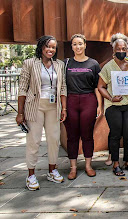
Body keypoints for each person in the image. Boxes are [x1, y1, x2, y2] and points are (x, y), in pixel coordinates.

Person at [16, 35, 67, 190]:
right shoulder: (30, 63)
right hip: (35, 106)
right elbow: (23, 88)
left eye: (53, 47)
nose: (50, 50)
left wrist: (64, 108)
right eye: (47, 46)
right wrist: (20, 113)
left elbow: (63, 86)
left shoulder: (59, 65)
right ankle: (31, 175)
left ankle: (52, 170)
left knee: (54, 139)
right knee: (34, 141)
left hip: (53, 106)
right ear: (41, 47)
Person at [98, 33, 128, 176]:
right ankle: (115, 163)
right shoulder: (108, 67)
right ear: (113, 50)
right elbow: (100, 86)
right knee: (115, 134)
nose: (122, 51)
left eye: (124, 48)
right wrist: (110, 97)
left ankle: (127, 161)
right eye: (119, 49)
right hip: (113, 106)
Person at [64, 34, 101, 180]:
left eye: (80, 44)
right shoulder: (66, 63)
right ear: (71, 46)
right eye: (74, 44)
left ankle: (88, 165)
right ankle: (73, 167)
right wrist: (63, 107)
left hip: (89, 100)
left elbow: (98, 86)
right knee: (72, 136)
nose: (78, 47)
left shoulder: (93, 64)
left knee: (87, 135)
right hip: (71, 100)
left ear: (85, 45)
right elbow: (62, 86)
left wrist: (99, 105)